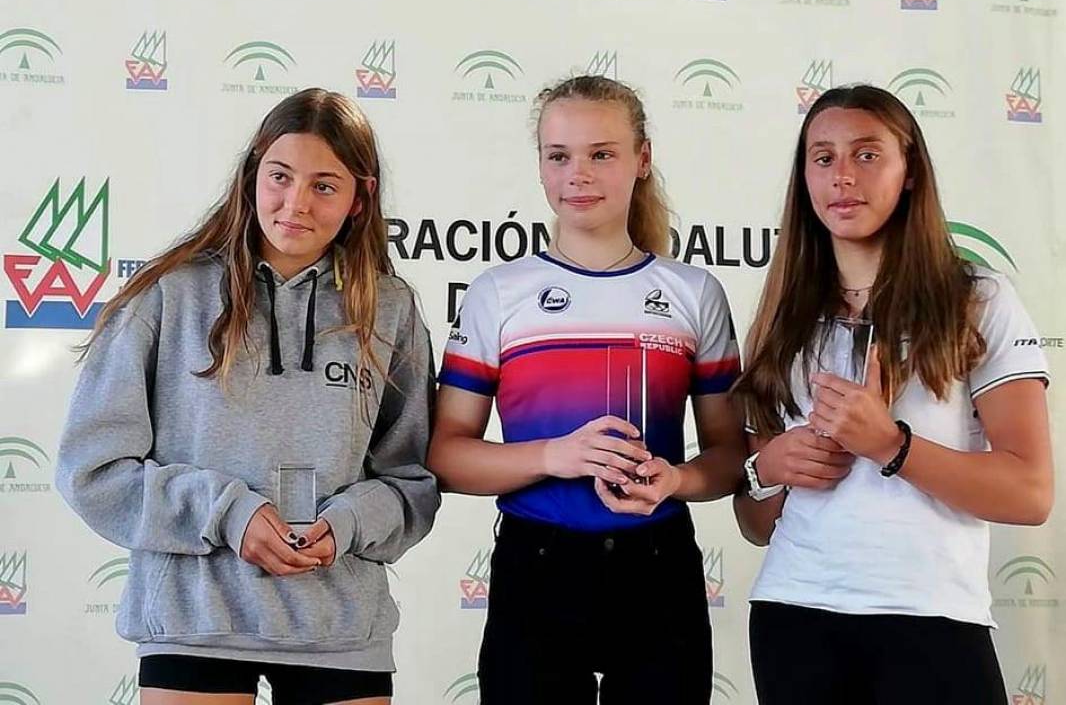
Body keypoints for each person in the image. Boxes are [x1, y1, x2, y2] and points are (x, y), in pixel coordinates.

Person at [55, 88, 439, 705]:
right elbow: (93, 471)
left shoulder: (389, 310)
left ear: (359, 198)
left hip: (340, 627)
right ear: (252, 173)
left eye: (324, 185)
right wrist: (228, 513)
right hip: (193, 624)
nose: (296, 203)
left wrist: (346, 524)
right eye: (280, 176)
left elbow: (413, 482)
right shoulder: (169, 294)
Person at [429, 75, 746, 705]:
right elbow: (445, 456)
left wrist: (676, 480)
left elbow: (733, 457)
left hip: (659, 568)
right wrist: (555, 455)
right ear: (540, 166)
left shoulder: (694, 294)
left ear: (642, 160)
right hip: (536, 565)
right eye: (559, 155)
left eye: (601, 154)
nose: (578, 174)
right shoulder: (498, 293)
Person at [732, 84, 1053, 705]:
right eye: (823, 157)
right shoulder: (780, 317)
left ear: (910, 173)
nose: (842, 176)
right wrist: (767, 470)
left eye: (867, 154)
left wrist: (890, 446)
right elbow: (755, 525)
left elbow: (1030, 493)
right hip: (794, 618)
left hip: (933, 617)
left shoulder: (977, 299)